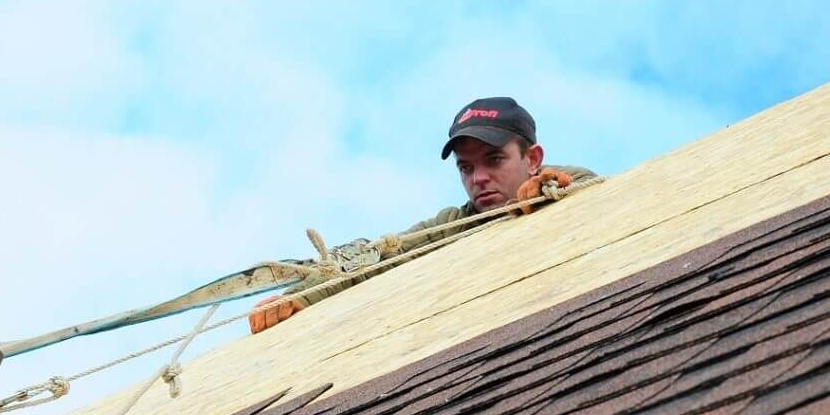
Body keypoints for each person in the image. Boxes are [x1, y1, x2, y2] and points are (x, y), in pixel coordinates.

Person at [249, 97, 598, 333]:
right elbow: (377, 258)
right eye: (466, 167)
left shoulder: (569, 183)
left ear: (533, 159)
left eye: (494, 160)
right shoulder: (451, 225)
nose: (478, 178)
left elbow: (592, 191)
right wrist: (300, 298)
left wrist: (550, 192)